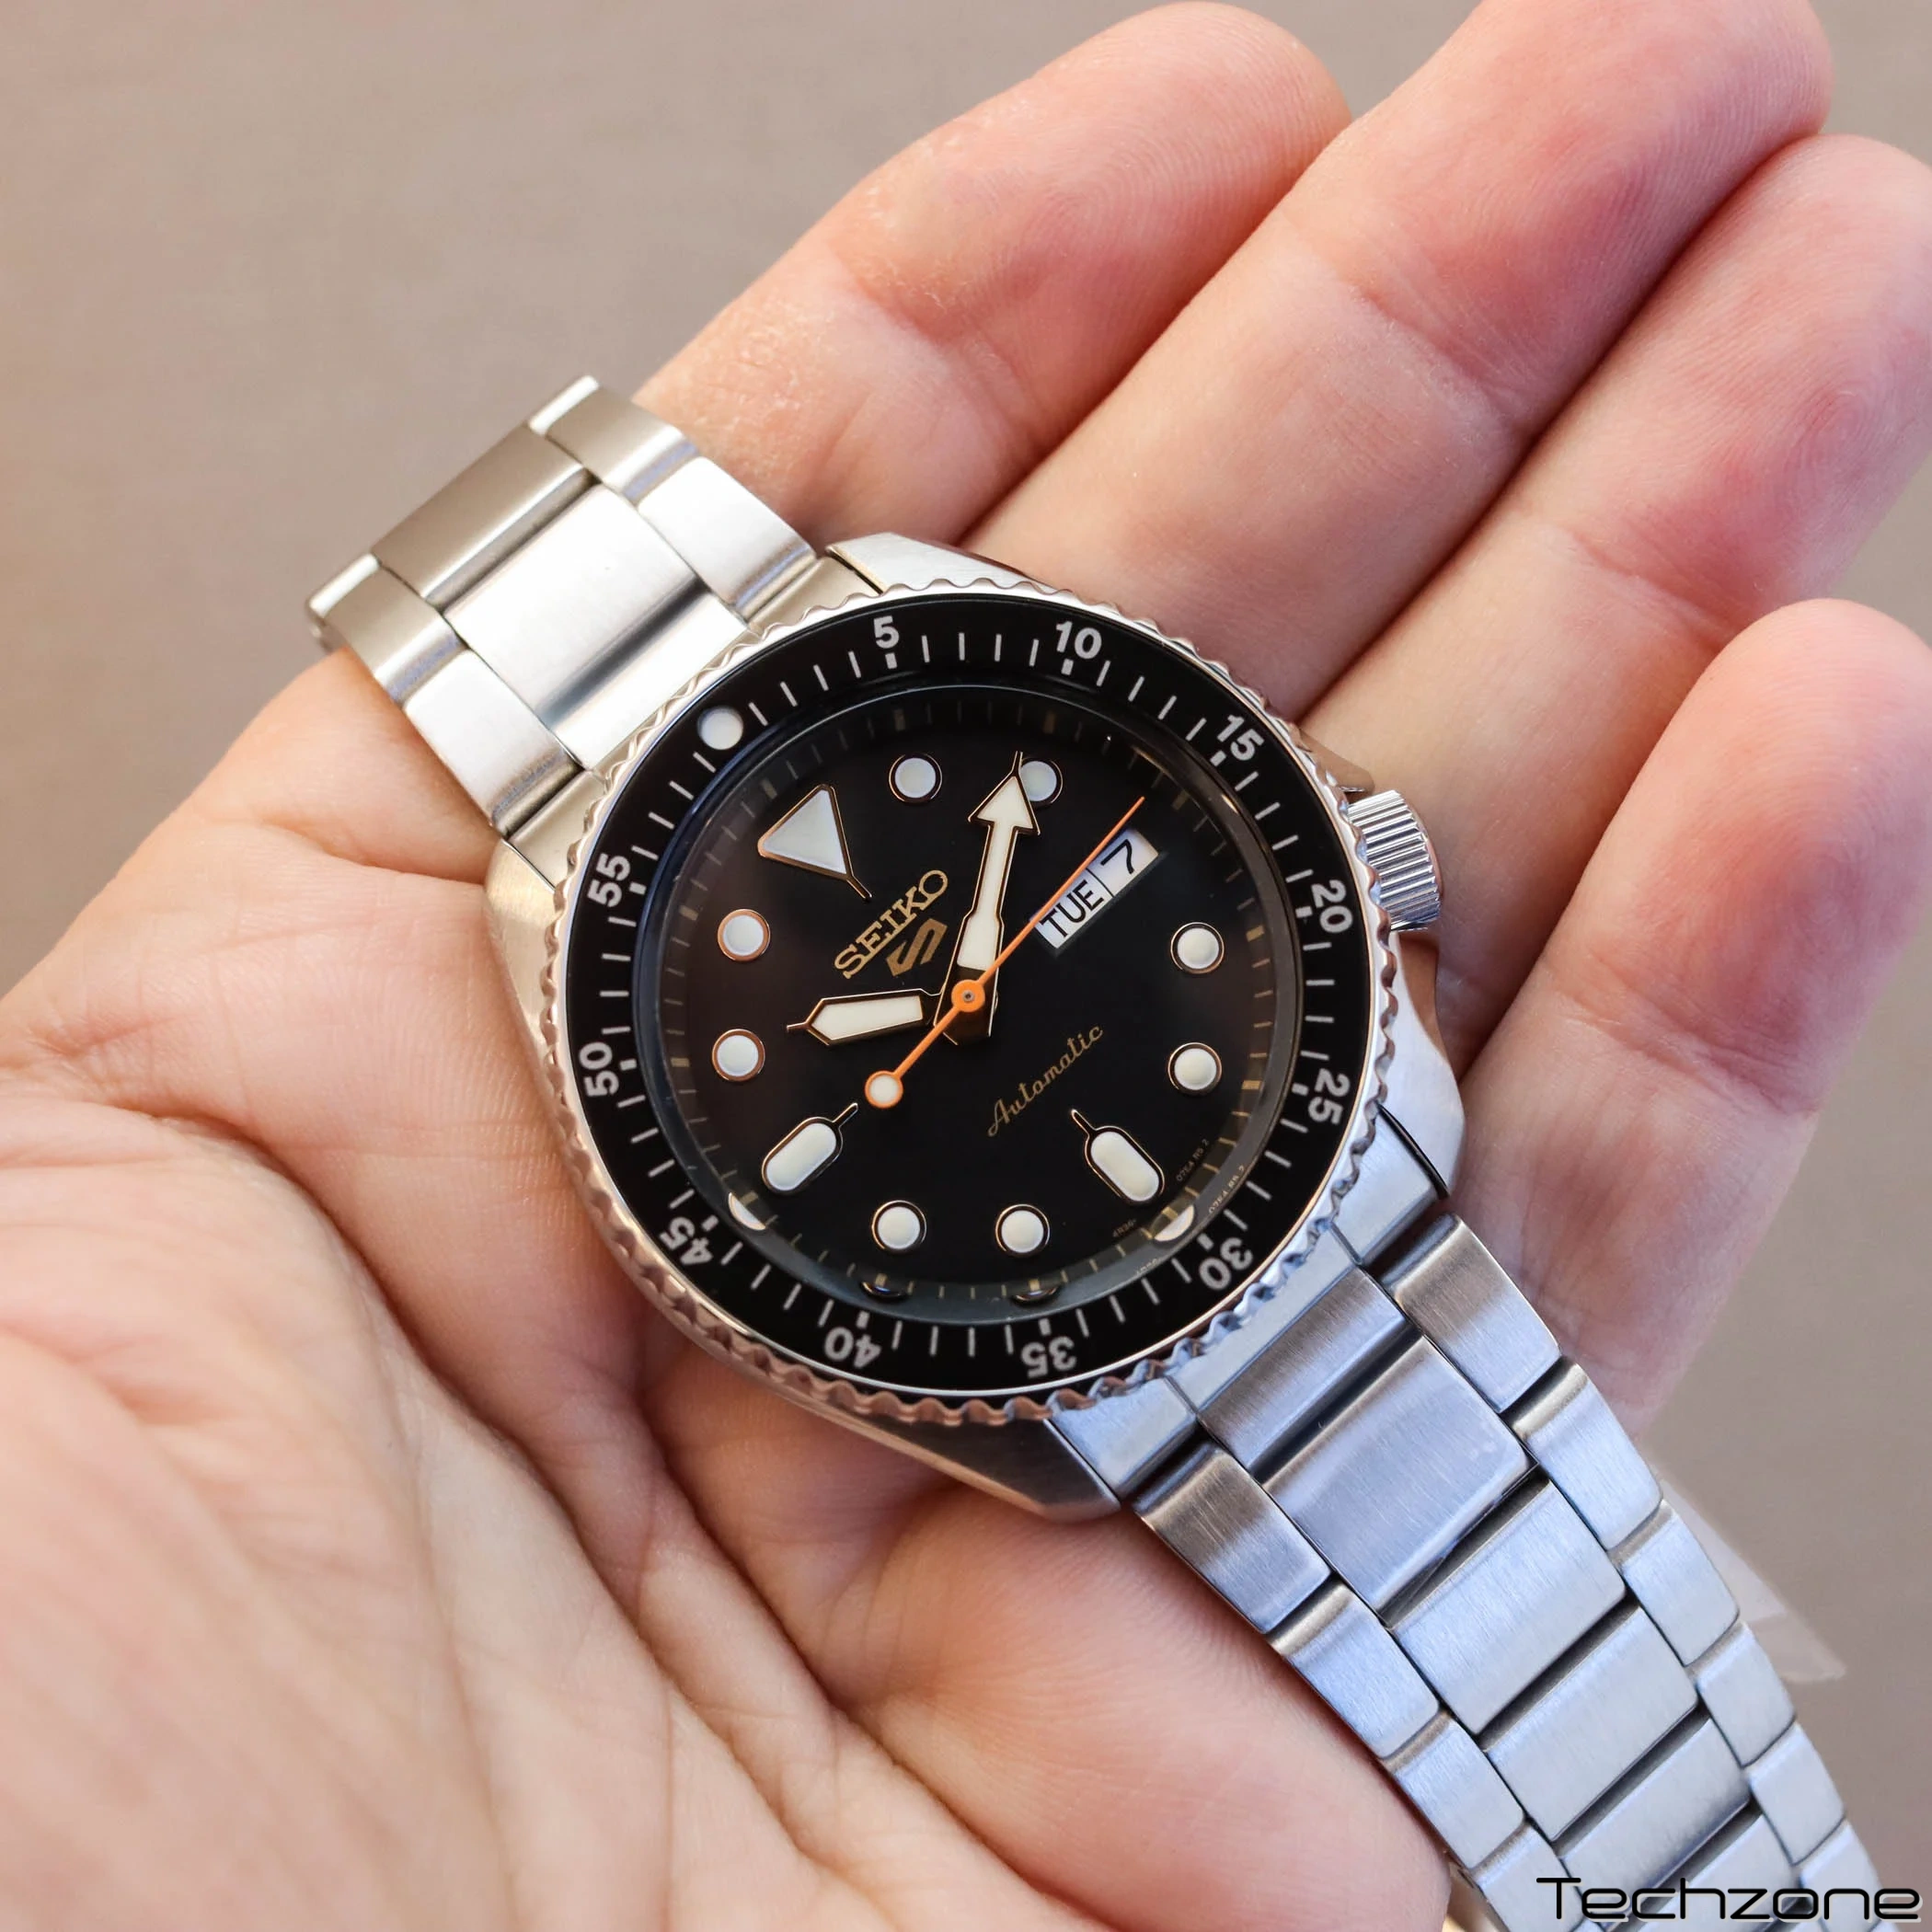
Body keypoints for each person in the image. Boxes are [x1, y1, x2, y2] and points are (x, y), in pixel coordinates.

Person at [0, 1, 1927, 1924]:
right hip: (1092, 1358)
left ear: (1362, 859)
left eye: (962, 979)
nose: (964, 1001)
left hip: (1311, 1184)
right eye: (927, 1017)